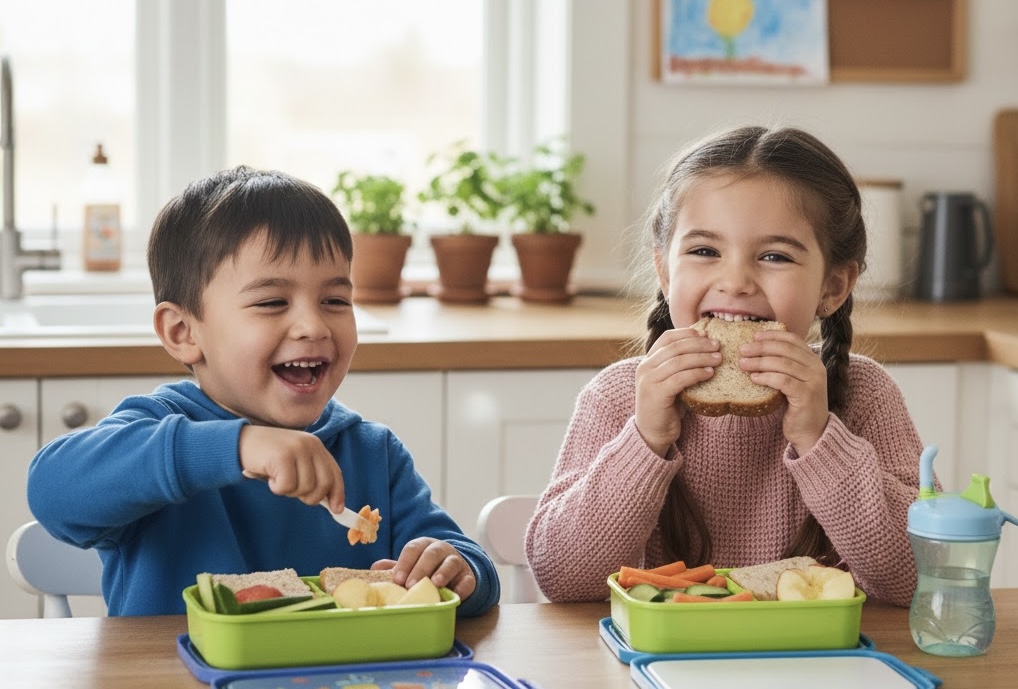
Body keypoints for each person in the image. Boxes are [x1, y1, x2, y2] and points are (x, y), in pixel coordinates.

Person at [27, 166, 499, 616]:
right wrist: (238, 446)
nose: (313, 325)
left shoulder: (372, 453)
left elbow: (465, 567)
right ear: (183, 332)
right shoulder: (155, 435)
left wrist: (459, 570)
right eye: (272, 302)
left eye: (335, 300)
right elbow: (52, 489)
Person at [525, 126, 925, 607]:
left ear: (833, 287)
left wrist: (819, 439)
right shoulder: (619, 397)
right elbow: (562, 580)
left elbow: (919, 580)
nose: (735, 281)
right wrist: (645, 439)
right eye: (704, 251)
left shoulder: (863, 394)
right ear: (665, 271)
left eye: (775, 256)